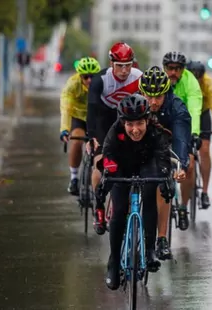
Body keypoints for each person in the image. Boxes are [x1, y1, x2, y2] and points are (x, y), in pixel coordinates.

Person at [96, 94, 174, 290]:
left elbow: (163, 159)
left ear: (147, 119)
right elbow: (108, 159)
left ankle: (149, 251)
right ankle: (114, 261)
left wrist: (166, 181)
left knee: (149, 195)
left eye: (140, 123)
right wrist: (104, 186)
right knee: (119, 210)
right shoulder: (114, 133)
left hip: (146, 166)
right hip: (121, 168)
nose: (135, 129)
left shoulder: (156, 131)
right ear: (122, 122)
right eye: (130, 124)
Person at [87, 42, 143, 235]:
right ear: (111, 63)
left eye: (128, 65)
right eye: (120, 65)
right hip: (104, 120)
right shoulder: (100, 79)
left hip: (126, 121)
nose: (125, 70)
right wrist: (91, 136)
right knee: (100, 163)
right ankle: (99, 206)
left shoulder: (138, 77)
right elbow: (92, 111)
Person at [138, 66, 191, 260]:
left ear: (166, 92)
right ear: (141, 92)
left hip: (164, 149)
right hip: (139, 146)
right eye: (149, 96)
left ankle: (161, 239)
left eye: (158, 97)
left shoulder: (176, 107)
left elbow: (181, 139)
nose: (153, 102)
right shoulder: (133, 104)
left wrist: (181, 164)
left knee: (163, 185)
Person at [162, 51, 202, 231]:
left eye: (178, 69)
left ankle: (183, 206)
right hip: (162, 125)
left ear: (183, 70)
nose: (173, 73)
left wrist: (194, 133)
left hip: (183, 125)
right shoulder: (160, 80)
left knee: (190, 164)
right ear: (165, 69)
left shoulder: (191, 82)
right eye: (170, 68)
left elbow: (194, 108)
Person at [59, 56, 101, 195]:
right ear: (80, 76)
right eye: (85, 77)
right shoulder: (72, 85)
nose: (89, 80)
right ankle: (74, 178)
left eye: (92, 76)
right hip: (78, 116)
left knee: (101, 145)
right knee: (77, 141)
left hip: (95, 117)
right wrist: (64, 129)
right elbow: (66, 109)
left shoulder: (103, 83)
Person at [186, 60, 212, 209]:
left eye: (199, 78)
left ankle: (205, 192)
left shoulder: (208, 82)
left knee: (205, 151)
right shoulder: (184, 81)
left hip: (203, 114)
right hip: (188, 114)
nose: (197, 81)